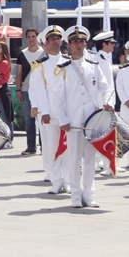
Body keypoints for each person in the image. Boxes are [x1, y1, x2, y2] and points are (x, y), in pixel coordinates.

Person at [59, 25, 113, 208]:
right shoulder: (62, 68)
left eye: (81, 41)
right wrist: (63, 119)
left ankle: (89, 194)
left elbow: (106, 88)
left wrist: (108, 103)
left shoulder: (94, 66)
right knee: (74, 160)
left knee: (90, 159)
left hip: (92, 121)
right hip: (73, 121)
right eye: (75, 42)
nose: (78, 45)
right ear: (69, 45)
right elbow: (58, 97)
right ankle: (75, 195)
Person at [28, 25, 69, 195]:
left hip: (67, 112)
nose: (55, 41)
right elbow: (37, 89)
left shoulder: (69, 62)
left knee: (67, 148)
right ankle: (55, 180)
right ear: (46, 42)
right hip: (49, 112)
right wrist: (42, 110)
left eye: (58, 38)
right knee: (51, 147)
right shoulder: (40, 65)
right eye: (51, 39)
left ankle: (67, 180)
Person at [15, 28, 43, 156]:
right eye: (29, 37)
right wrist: (18, 89)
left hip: (41, 90)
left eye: (33, 36)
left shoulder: (44, 53)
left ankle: (44, 146)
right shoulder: (22, 54)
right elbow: (19, 73)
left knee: (42, 118)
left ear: (37, 37)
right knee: (29, 120)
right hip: (26, 90)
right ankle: (31, 147)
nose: (31, 39)